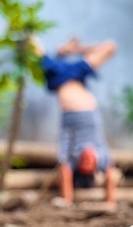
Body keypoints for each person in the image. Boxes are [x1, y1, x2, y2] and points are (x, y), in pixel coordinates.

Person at [31, 36, 117, 205]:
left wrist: (66, 199)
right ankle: (66, 51)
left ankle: (29, 33)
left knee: (41, 56)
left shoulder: (71, 155)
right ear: (94, 167)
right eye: (89, 162)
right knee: (109, 47)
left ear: (78, 166)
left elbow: (64, 169)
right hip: (79, 81)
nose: (86, 158)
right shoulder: (101, 155)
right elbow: (110, 174)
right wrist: (110, 201)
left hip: (61, 88)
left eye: (82, 162)